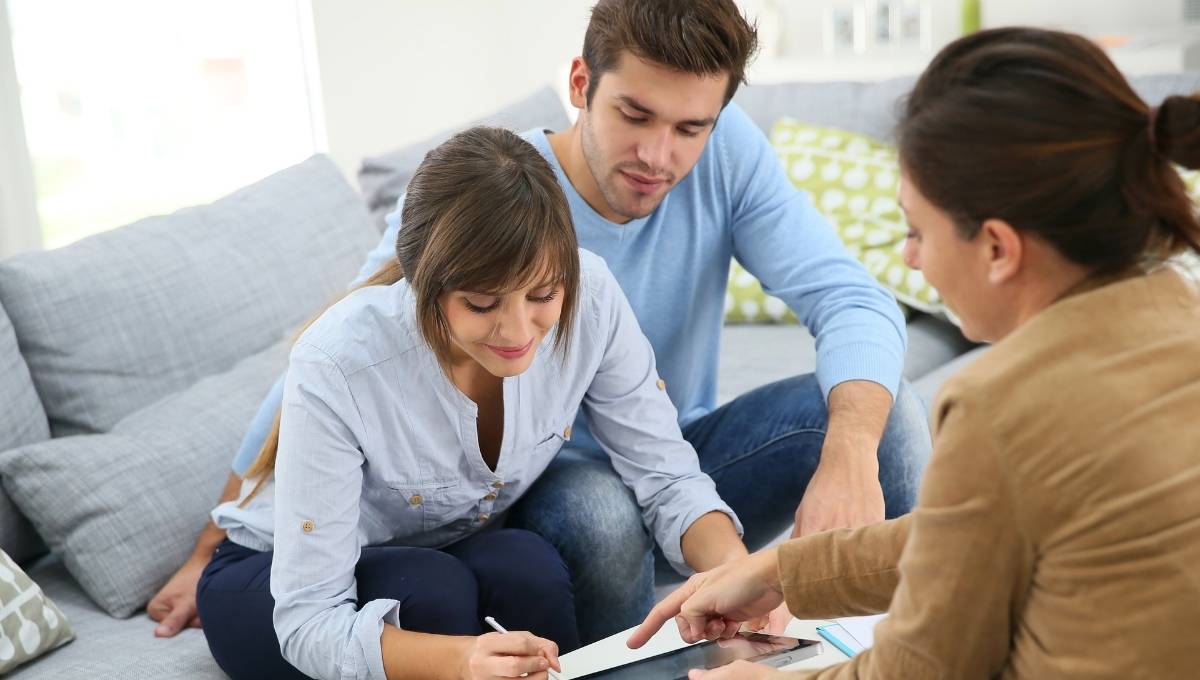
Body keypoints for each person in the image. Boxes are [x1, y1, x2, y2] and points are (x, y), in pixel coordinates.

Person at [150, 0, 932, 644]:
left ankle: (851, 651)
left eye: (690, 128)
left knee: (886, 417)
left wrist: (849, 451)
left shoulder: (716, 166)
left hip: (665, 445)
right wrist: (210, 546)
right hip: (537, 477)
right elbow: (333, 361)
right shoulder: (482, 203)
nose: (659, 155)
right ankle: (640, 658)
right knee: (597, 511)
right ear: (581, 82)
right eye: (634, 114)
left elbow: (850, 301)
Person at [627, 27, 1200, 679]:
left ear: (996, 249)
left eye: (915, 229)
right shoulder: (1178, 311)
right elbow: (969, 538)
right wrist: (783, 569)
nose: (909, 257)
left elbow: (922, 667)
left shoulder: (1000, 406)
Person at [195, 126, 748, 680]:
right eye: (482, 303)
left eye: (543, 295)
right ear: (423, 283)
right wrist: (463, 660)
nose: (517, 330)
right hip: (272, 581)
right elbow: (308, 621)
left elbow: (667, 474)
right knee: (434, 593)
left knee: (528, 569)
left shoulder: (593, 296)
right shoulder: (340, 359)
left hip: (432, 555)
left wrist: (741, 577)